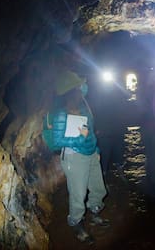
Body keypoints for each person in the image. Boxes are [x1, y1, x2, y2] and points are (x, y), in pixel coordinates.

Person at [50, 71, 109, 244]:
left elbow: (90, 130)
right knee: (78, 195)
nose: (82, 88)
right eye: (78, 86)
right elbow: (57, 140)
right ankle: (76, 222)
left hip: (91, 153)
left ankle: (94, 212)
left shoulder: (84, 106)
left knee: (99, 189)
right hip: (74, 157)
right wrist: (79, 138)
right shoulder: (61, 113)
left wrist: (96, 148)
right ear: (71, 90)